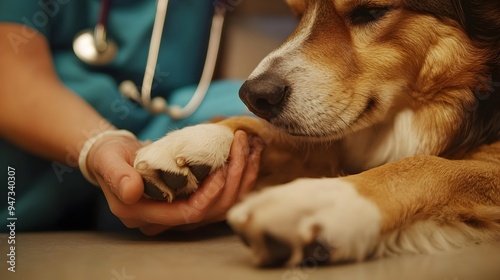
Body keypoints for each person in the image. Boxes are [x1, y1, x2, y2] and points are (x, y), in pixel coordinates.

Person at [0, 0, 263, 235]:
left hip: (160, 123)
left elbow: (204, 80)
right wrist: (98, 144)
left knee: (254, 112)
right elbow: (10, 76)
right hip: (37, 152)